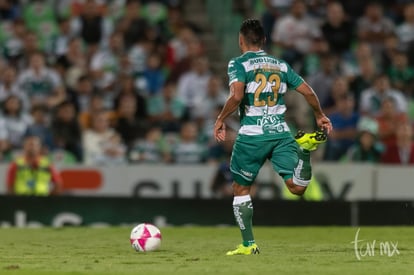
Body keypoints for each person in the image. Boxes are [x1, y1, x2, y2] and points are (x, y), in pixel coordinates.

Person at [213, 19, 332, 256]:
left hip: (251, 136)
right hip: (280, 132)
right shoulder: (280, 64)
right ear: (264, 40)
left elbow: (236, 96)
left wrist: (220, 119)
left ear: (240, 40)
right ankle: (304, 152)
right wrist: (319, 115)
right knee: (297, 188)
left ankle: (249, 245)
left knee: (240, 188)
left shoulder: (238, 63)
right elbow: (307, 89)